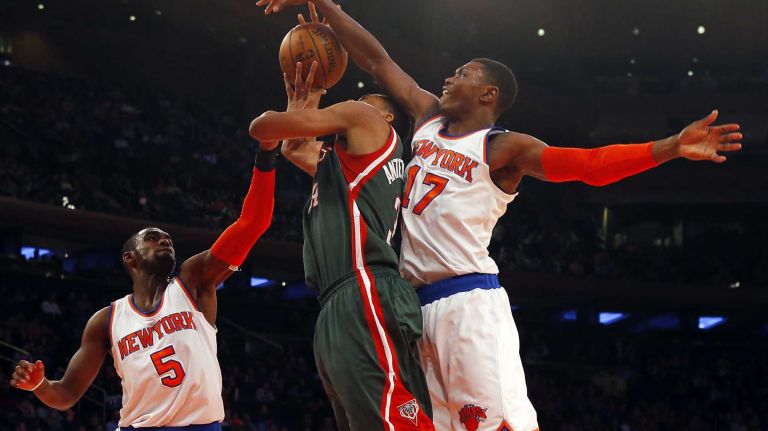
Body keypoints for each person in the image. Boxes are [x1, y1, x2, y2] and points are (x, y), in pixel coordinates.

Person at [255, 2, 743, 431]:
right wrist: (327, 6)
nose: (449, 77)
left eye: (463, 73)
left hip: (467, 304)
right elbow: (378, 61)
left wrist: (670, 148)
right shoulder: (426, 121)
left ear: (488, 94)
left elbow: (589, 167)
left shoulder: (503, 147)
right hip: (408, 309)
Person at [9, 143, 280, 431]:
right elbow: (65, 394)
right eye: (153, 237)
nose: (166, 241)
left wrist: (266, 153)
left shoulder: (194, 282)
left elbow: (253, 222)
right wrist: (39, 385)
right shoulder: (106, 321)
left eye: (169, 240)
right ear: (130, 257)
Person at [249, 61, 434, 431]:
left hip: (363, 287)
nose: (346, 106)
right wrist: (306, 102)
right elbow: (295, 150)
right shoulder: (346, 165)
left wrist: (295, 112)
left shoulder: (366, 119)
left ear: (384, 117)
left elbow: (262, 127)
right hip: (341, 299)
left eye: (357, 102)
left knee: (393, 422)